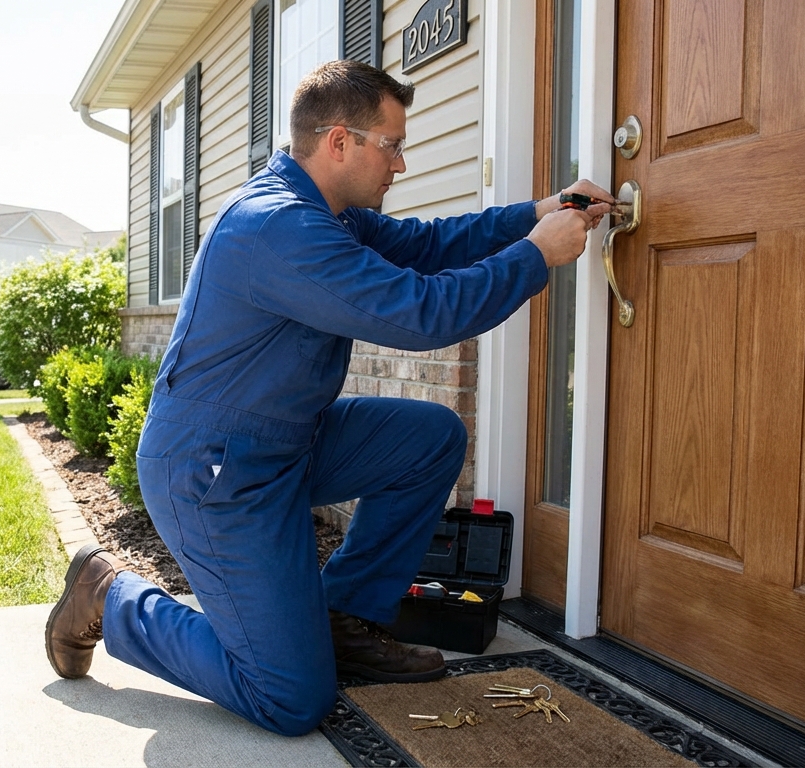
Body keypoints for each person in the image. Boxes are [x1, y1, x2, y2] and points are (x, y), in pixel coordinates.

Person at [44, 59, 611, 737]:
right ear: (340, 141)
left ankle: (342, 617)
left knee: (429, 439)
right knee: (289, 699)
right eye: (392, 145)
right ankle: (113, 597)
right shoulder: (277, 227)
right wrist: (534, 256)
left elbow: (428, 248)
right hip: (216, 472)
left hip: (288, 442)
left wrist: (534, 215)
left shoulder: (331, 214)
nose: (399, 164)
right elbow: (421, 313)